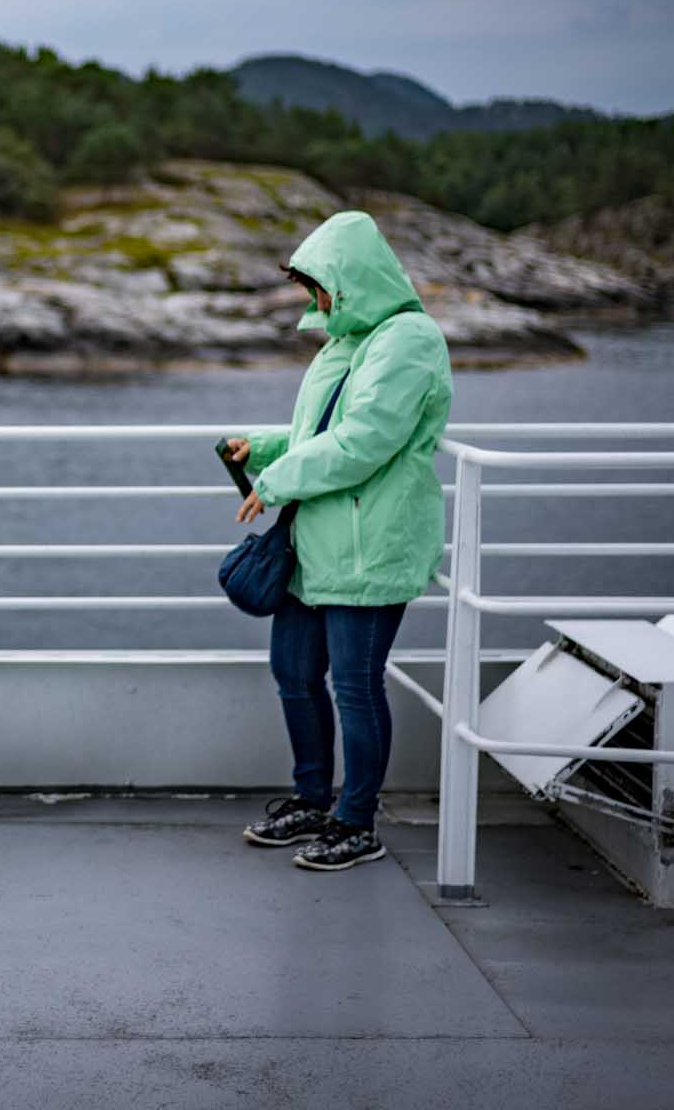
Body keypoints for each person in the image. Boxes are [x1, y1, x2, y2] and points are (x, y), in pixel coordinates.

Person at [220, 210, 452, 872]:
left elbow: (366, 441)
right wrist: (263, 447)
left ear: (349, 280)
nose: (312, 300)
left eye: (318, 285)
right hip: (318, 541)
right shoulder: (347, 343)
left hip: (370, 545)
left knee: (355, 683)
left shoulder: (408, 341)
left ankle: (358, 822)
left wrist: (278, 480)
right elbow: (320, 430)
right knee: (294, 673)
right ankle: (314, 798)